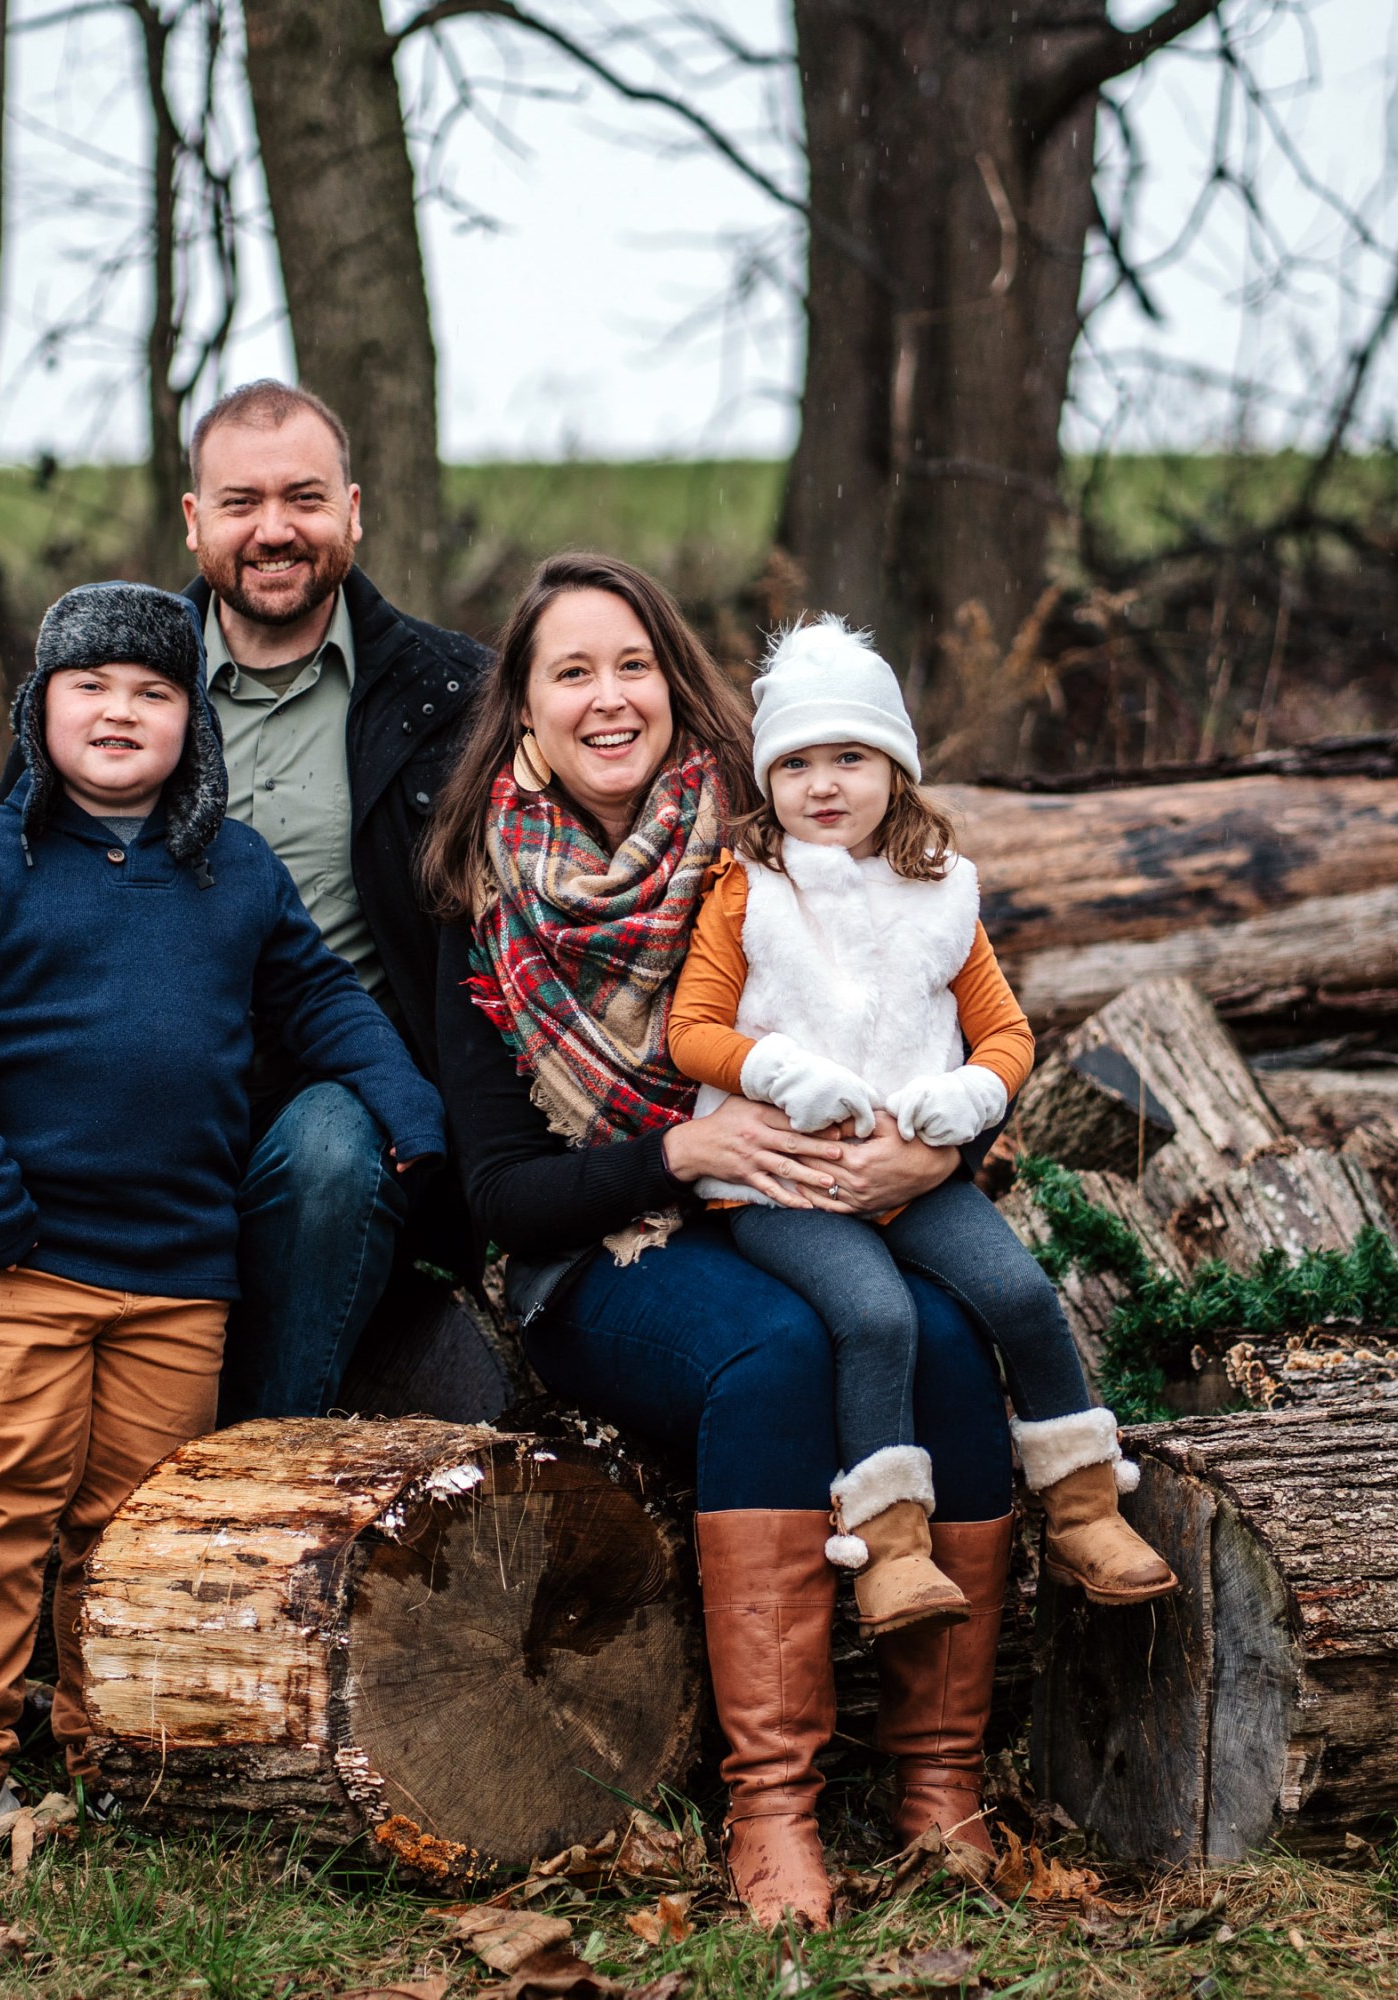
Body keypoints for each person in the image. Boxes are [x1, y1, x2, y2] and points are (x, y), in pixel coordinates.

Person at [423, 553, 1136, 1929]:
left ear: (678, 690)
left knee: (939, 1332)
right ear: (521, 712)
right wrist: (678, 1149)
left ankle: (936, 1781)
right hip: (611, 1245)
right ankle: (775, 1809)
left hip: (818, 1203)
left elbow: (924, 1024)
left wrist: (943, 1147)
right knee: (771, 1353)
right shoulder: (483, 902)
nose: (607, 696)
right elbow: (499, 1194)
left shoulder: (778, 846)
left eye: (631, 663)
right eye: (570, 671)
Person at [0, 382, 487, 1784]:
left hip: (311, 1114)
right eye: (241, 502)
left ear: (351, 512)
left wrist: (441, 1121)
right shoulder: (129, 667)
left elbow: (408, 962)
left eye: (303, 497)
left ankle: (210, 1593)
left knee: (335, 1152)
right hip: (85, 1143)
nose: (273, 530)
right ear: (195, 519)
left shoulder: (451, 694)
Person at [0, 580, 444, 1849]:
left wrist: (408, 1104)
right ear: (41, 710)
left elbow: (324, 1001)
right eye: (92, 688)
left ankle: (110, 1744)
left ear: (196, 718)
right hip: (21, 1256)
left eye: (155, 691)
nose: (121, 711)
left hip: (179, 1274)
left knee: (129, 1527)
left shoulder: (231, 871)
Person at [665, 616, 1176, 1638]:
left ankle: (1083, 1508)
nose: (824, 783)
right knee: (874, 1314)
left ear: (894, 767)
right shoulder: (748, 889)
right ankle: (891, 1547)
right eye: (798, 762)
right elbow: (693, 1031)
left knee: (1022, 1294)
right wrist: (779, 1072)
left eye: (850, 756)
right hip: (785, 1181)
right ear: (768, 778)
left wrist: (971, 1098)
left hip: (919, 1170)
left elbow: (1006, 1031)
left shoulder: (942, 889)